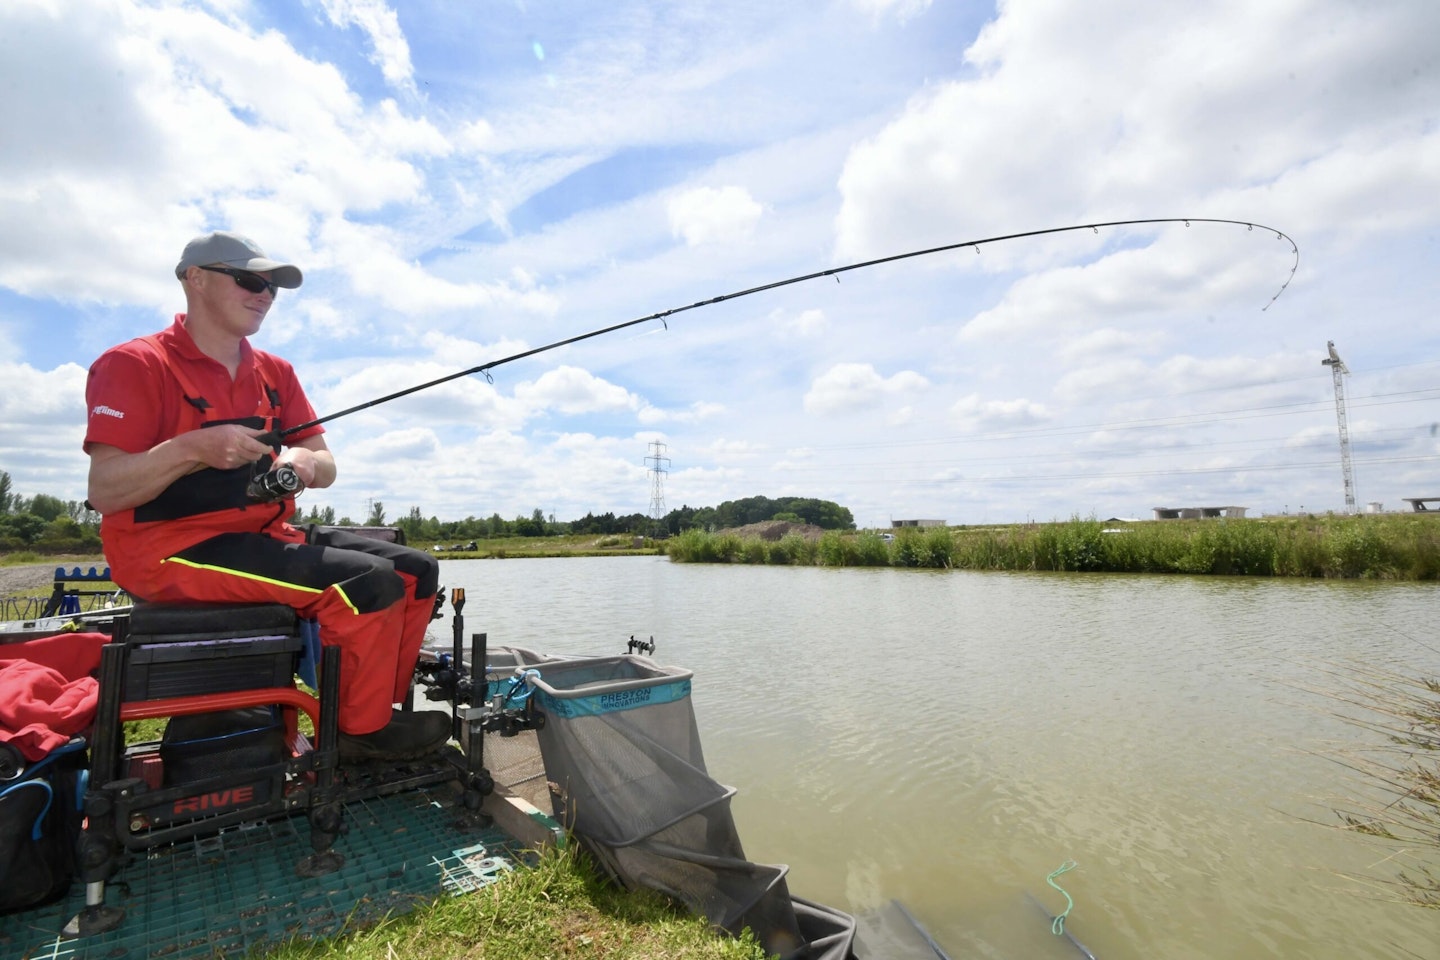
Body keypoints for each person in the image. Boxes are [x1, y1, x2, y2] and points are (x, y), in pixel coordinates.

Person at [83, 231, 451, 763]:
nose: (266, 294)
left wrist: (303, 464)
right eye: (252, 280)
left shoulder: (275, 372)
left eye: (273, 287)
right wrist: (191, 448)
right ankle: (356, 737)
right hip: (164, 549)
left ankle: (373, 713)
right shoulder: (135, 364)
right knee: (367, 585)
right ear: (197, 279)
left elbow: (325, 463)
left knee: (417, 571)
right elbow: (106, 489)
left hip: (263, 533)